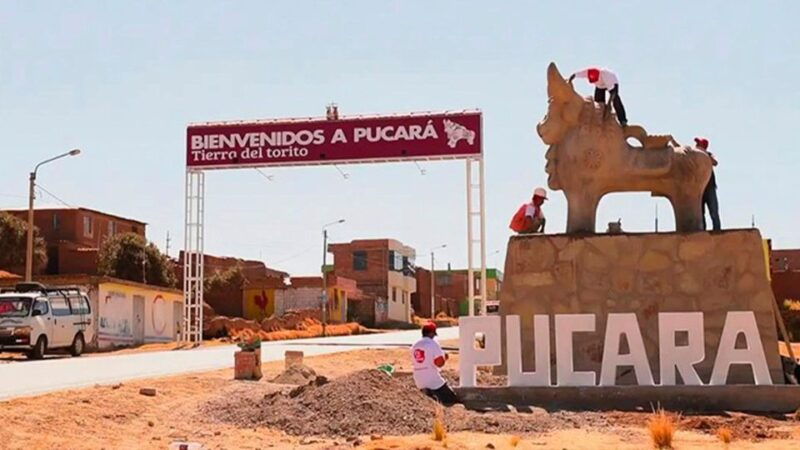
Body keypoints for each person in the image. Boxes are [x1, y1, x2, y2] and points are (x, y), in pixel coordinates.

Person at [410, 322, 458, 405]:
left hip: (418, 380)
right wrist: (444, 358)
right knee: (452, 401)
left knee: (430, 403)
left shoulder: (414, 345)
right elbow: (439, 363)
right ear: (432, 333)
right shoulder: (433, 343)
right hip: (433, 380)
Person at [695, 137, 721, 231]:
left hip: (710, 187)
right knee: (700, 213)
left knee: (713, 211)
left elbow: (715, 162)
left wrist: (705, 154)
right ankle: (702, 231)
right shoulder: (695, 156)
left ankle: (717, 231)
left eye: (698, 144)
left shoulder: (708, 155)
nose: (696, 146)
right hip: (699, 188)